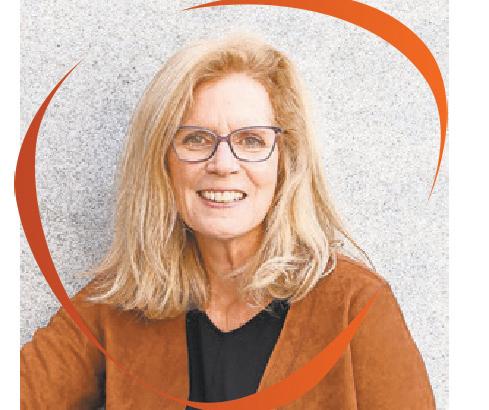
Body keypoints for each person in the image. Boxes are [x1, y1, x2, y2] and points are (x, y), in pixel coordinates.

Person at [20, 33, 435, 409]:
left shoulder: (354, 305)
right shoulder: (122, 303)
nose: (223, 164)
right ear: (162, 163)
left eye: (251, 140)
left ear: (286, 163)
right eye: (195, 139)